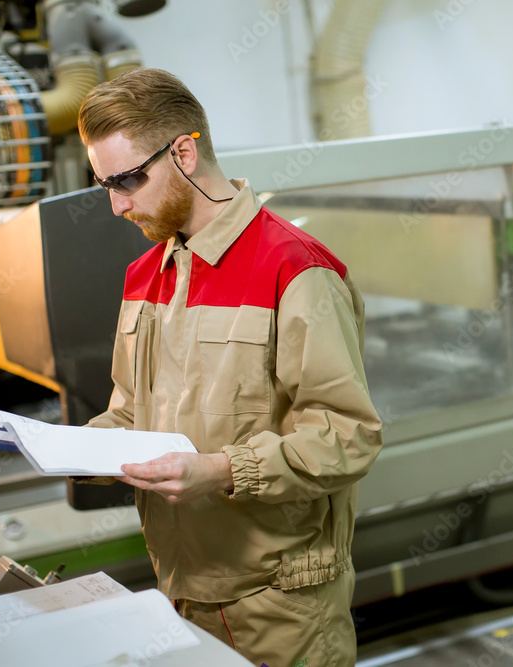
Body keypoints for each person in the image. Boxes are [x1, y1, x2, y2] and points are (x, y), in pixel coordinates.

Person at [76, 67, 383, 667]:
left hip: (281, 608)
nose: (117, 206)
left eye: (127, 181)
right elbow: (130, 412)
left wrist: (219, 471)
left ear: (184, 153)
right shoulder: (146, 276)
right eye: (104, 186)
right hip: (182, 590)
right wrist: (70, 450)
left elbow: (349, 438)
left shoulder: (293, 269)